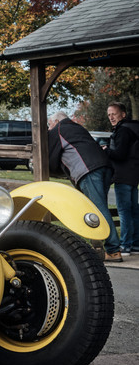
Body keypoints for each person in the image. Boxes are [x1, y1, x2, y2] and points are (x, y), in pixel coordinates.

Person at [48, 111, 121, 261]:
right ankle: (101, 247)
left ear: (56, 122)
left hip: (88, 170)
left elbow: (51, 160)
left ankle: (113, 250)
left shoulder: (58, 130)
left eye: (50, 124)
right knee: (100, 208)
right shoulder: (77, 127)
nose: (49, 128)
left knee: (99, 210)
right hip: (105, 167)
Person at [105, 102, 139, 256]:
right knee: (134, 211)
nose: (111, 117)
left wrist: (106, 150)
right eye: (109, 115)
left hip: (123, 175)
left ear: (123, 114)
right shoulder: (134, 128)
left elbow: (120, 154)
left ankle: (125, 245)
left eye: (114, 114)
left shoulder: (123, 130)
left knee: (124, 212)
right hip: (133, 175)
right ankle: (136, 244)